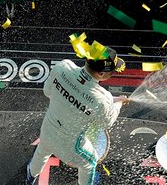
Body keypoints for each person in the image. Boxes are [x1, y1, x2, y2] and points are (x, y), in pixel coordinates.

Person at [27, 46, 128, 185]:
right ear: (101, 74)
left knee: (41, 153)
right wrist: (119, 104)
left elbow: (47, 91)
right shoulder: (103, 99)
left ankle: (30, 178)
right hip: (69, 147)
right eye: (112, 71)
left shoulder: (63, 67)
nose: (113, 73)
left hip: (46, 131)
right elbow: (105, 123)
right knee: (90, 163)